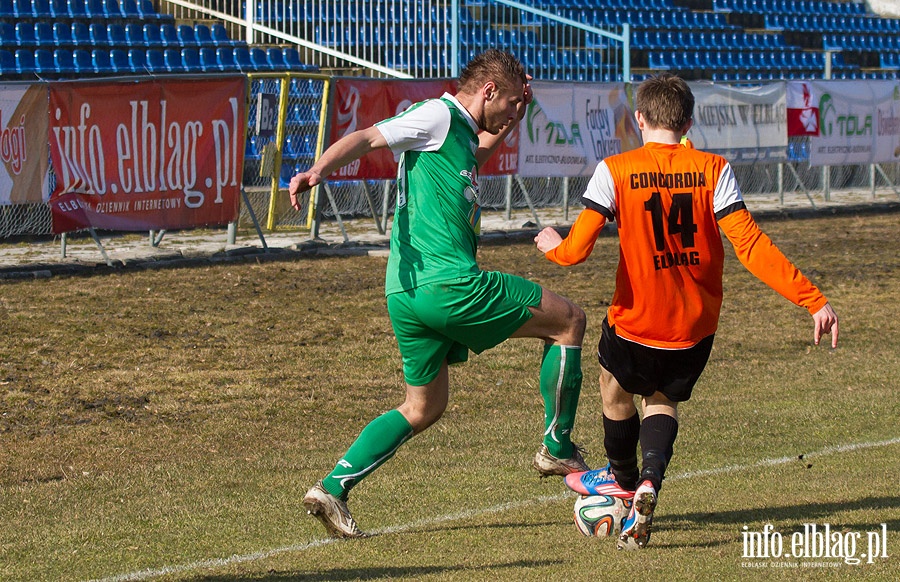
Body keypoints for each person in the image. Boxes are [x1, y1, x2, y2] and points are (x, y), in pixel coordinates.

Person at [534, 73, 839, 551]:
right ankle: (651, 482)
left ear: (639, 119)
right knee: (662, 400)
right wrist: (812, 299)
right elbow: (751, 245)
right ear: (689, 121)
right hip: (694, 327)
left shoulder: (615, 169)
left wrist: (553, 246)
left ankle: (626, 481)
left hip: (636, 321)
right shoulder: (714, 169)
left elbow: (576, 252)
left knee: (613, 391)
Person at [291, 50, 589, 539]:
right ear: (488, 91)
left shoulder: (458, 134)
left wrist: (516, 117)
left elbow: (481, 151)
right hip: (447, 284)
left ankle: (332, 487)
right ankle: (557, 446)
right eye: (513, 103)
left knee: (423, 407)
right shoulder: (437, 115)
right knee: (569, 321)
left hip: (405, 292)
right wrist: (318, 170)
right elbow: (368, 137)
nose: (516, 112)